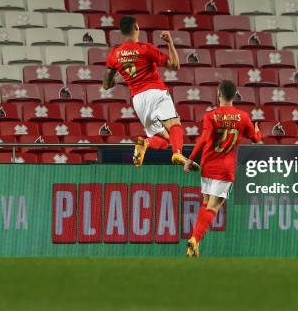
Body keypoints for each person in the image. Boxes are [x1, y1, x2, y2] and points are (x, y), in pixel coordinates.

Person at [103, 15, 198, 170]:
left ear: (121, 32)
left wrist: (118, 76)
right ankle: (178, 154)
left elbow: (106, 85)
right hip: (156, 92)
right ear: (136, 28)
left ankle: (145, 143)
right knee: (175, 126)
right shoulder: (145, 48)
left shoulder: (115, 54)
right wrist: (170, 43)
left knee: (165, 139)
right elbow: (174, 65)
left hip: (138, 101)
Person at [184, 80, 261, 257]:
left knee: (205, 205)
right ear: (234, 96)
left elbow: (203, 139)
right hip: (225, 170)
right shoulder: (243, 117)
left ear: (218, 94)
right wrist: (258, 131)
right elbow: (256, 139)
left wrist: (190, 159)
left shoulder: (210, 116)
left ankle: (195, 243)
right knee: (212, 209)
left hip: (208, 165)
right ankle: (195, 239)